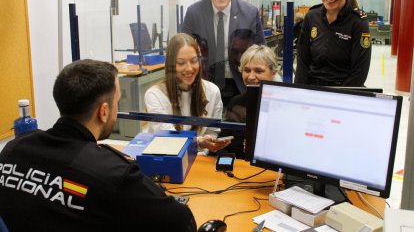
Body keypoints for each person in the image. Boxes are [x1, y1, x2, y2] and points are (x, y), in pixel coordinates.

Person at [0, 59, 196, 231]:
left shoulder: (15, 148)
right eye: (117, 101)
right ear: (103, 112)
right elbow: (183, 223)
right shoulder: (113, 175)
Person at [181, 0, 265, 103]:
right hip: (204, 84)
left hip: (241, 84)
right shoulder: (194, 13)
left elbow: (262, 50)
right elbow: (182, 49)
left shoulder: (250, 13)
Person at [144, 33, 231, 153]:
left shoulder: (212, 91)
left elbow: (212, 131)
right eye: (181, 63)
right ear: (170, 65)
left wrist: (209, 140)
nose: (189, 68)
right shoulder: (155, 95)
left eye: (194, 61)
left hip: (198, 160)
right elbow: (168, 137)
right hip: (166, 159)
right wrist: (199, 141)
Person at [294, 0, 371, 87]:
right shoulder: (311, 16)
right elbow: (302, 62)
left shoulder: (358, 22)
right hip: (312, 89)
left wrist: (337, 98)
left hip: (343, 91)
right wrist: (299, 92)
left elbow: (359, 72)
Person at [220, 45, 278, 158]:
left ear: (273, 73)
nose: (251, 76)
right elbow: (223, 146)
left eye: (258, 70)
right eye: (246, 70)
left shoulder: (284, 107)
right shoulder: (236, 103)